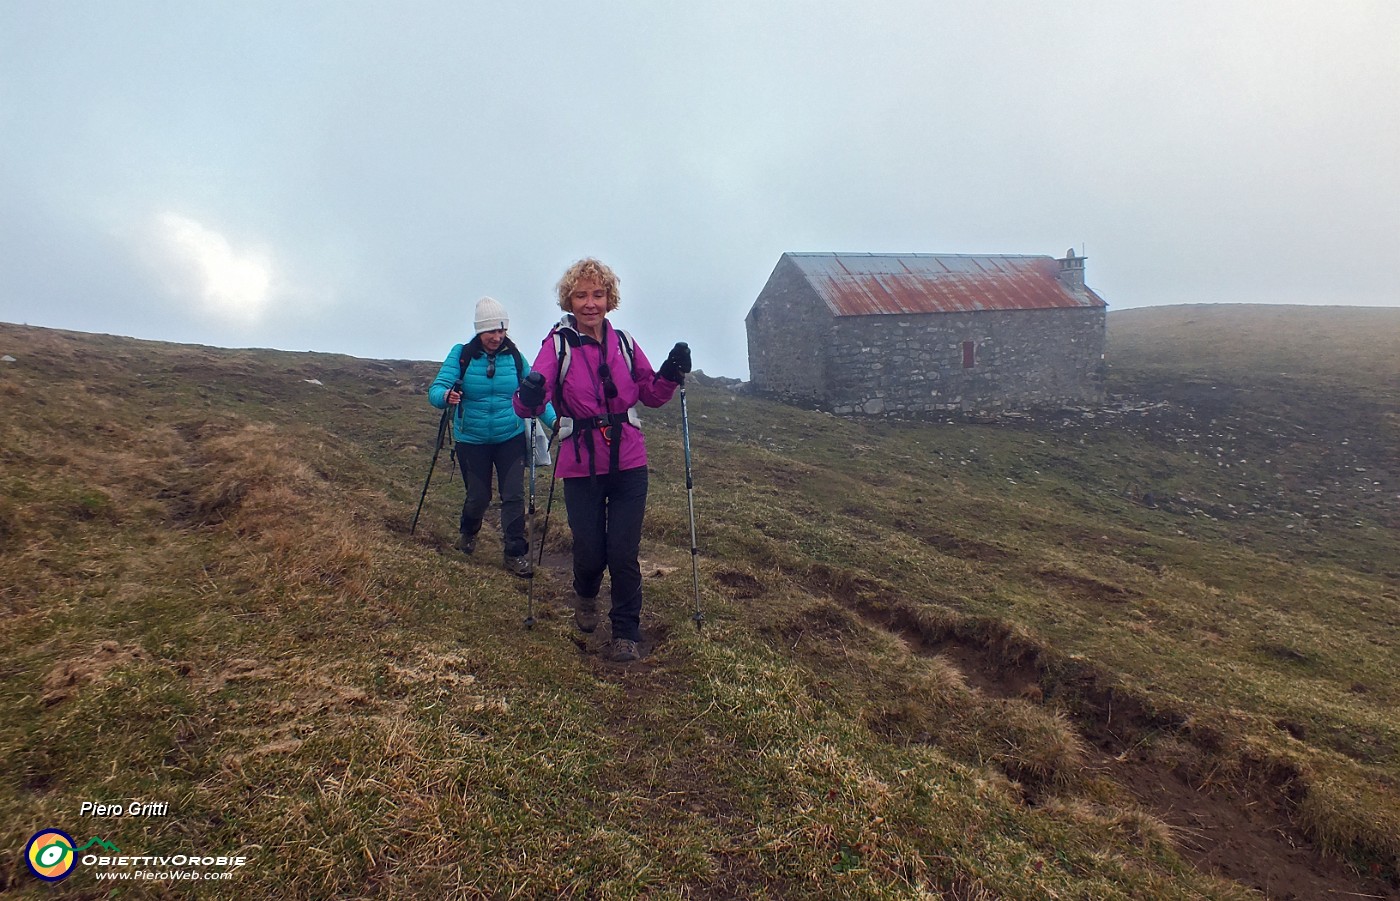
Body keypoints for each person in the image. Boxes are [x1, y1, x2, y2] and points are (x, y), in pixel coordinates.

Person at [513, 258, 691, 663]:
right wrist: (529, 392)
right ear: (569, 301)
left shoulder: (624, 342)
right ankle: (586, 594)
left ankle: (626, 631)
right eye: (581, 295)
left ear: (610, 299)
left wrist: (670, 371)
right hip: (580, 463)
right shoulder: (557, 345)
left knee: (623, 552)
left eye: (598, 294)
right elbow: (529, 405)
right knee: (590, 550)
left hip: (629, 460)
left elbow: (652, 393)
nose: (590, 303)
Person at [429, 296, 555, 577]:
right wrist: (445, 396)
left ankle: (515, 553)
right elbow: (435, 390)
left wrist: (555, 420)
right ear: (479, 331)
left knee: (513, 496)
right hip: (471, 440)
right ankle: (468, 533)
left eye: (501, 330)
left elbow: (536, 395)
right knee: (478, 496)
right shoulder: (461, 354)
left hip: (509, 436)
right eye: (491, 331)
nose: (497, 337)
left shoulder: (514, 356)